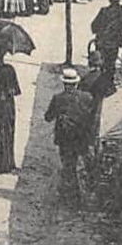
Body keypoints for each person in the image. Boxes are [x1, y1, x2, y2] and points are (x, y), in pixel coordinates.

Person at [44, 67, 97, 201]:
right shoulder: (87, 97)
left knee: (69, 165)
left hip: (65, 138)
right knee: (84, 165)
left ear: (64, 83)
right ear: (76, 83)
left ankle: (71, 195)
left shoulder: (58, 98)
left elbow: (48, 117)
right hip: (81, 137)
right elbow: (92, 117)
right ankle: (87, 192)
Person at [91, 0, 122, 75]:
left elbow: (94, 26)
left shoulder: (104, 11)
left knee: (103, 64)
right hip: (114, 43)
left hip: (103, 43)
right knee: (111, 65)